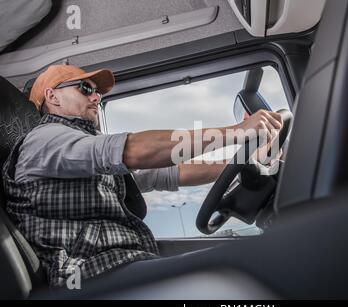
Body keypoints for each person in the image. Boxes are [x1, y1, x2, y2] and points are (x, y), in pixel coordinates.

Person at [2, 64, 283, 287]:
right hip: (89, 276)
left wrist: (246, 162)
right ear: (52, 96)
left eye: (97, 92)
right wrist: (236, 132)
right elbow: (134, 150)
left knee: (244, 270)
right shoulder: (45, 139)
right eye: (85, 88)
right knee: (246, 277)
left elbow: (171, 173)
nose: (96, 97)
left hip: (122, 264)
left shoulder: (79, 149)